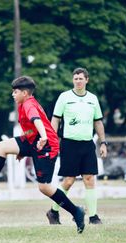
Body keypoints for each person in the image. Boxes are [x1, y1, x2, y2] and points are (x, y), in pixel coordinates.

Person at [0, 76, 85, 234]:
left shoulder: (28, 104)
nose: (13, 94)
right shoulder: (23, 103)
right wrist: (22, 150)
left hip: (47, 145)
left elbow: (37, 121)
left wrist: (44, 138)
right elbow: (31, 130)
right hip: (33, 140)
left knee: (44, 187)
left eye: (15, 91)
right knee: (2, 147)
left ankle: (76, 212)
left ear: (25, 93)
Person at [46, 67, 107, 225]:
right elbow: (55, 119)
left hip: (87, 145)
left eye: (81, 78)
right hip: (69, 144)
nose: (78, 81)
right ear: (73, 80)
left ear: (87, 80)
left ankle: (93, 217)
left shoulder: (93, 99)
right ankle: (53, 212)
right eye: (76, 79)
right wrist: (52, 140)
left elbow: (98, 122)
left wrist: (103, 142)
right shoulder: (64, 97)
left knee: (89, 179)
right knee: (68, 181)